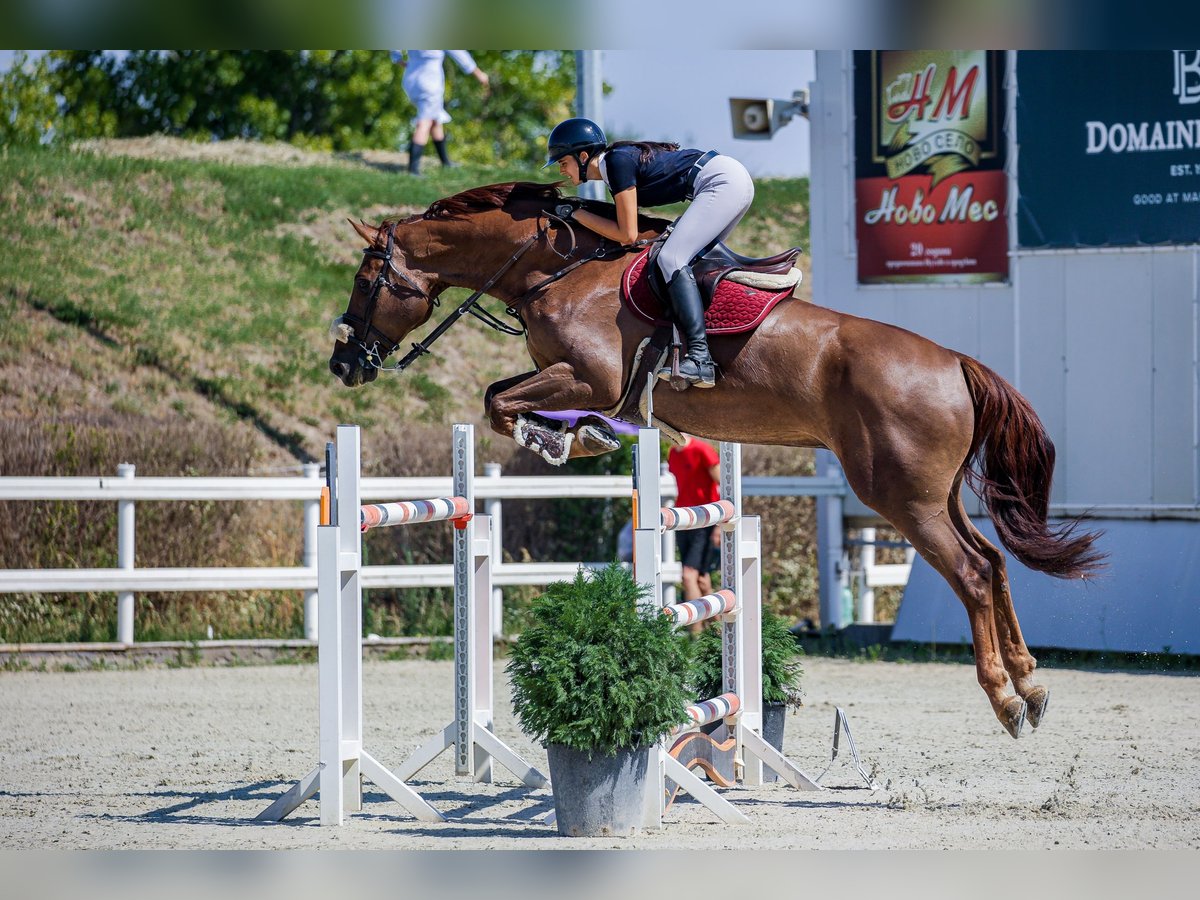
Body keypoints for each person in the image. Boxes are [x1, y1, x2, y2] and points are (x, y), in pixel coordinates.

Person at [543, 117, 755, 389]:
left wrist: (575, 214)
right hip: (728, 180)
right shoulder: (615, 165)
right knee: (689, 262)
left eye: (563, 162)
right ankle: (703, 343)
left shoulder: (615, 163)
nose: (561, 170)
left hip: (722, 183)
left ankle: (700, 358)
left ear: (583, 157)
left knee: (671, 258)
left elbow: (627, 234)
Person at [391, 50, 489, 176]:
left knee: (435, 119)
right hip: (429, 81)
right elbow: (459, 54)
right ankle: (413, 170)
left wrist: (398, 59)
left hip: (411, 78)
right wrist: (479, 74)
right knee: (425, 122)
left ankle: (445, 162)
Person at [667, 433, 723, 632]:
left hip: (705, 520)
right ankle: (720, 634)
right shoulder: (673, 453)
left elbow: (725, 485)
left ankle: (695, 638)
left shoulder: (702, 450)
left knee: (688, 576)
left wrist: (720, 525)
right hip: (684, 521)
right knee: (702, 580)